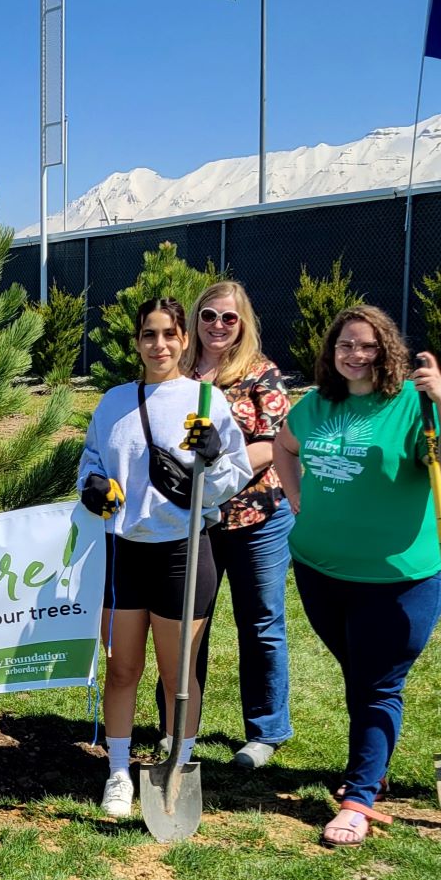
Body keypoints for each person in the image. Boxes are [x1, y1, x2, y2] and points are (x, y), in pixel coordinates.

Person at [275, 306, 441, 848]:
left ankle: (359, 798)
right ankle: (373, 765)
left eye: (366, 346)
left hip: (397, 581)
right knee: (362, 677)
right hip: (319, 570)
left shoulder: (411, 405)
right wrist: (297, 499)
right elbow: (284, 447)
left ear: (387, 350)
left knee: (378, 683)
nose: (355, 355)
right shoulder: (317, 404)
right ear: (331, 352)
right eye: (345, 345)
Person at [78, 297, 252, 819]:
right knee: (122, 668)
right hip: (124, 552)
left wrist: (217, 453)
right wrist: (92, 485)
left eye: (170, 335)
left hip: (183, 550)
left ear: (184, 341)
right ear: (137, 342)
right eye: (149, 335)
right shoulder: (113, 403)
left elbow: (231, 477)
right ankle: (117, 772)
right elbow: (92, 459)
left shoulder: (205, 400)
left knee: (180, 675)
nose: (160, 345)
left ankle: (179, 763)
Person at [179, 281, 295, 768]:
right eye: (209, 316)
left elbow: (273, 444)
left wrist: (215, 479)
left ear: (243, 322)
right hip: (192, 523)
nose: (219, 326)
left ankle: (266, 732)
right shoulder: (178, 374)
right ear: (195, 320)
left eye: (229, 318)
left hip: (255, 516)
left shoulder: (261, 374)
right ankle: (180, 729)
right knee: (187, 625)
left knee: (261, 622)